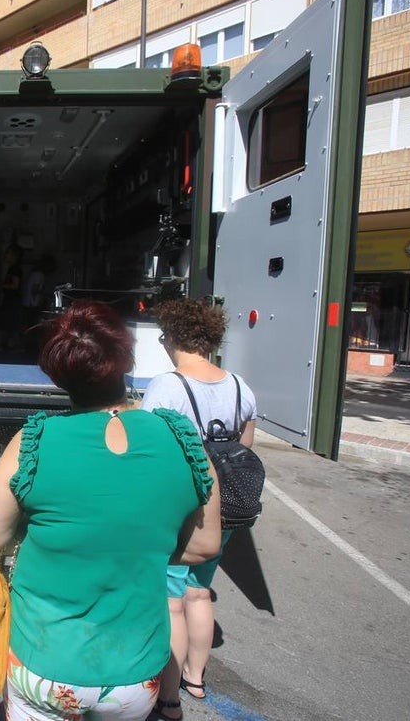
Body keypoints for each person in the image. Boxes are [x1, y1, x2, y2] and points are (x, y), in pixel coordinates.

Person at [0, 300, 220, 721]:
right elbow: (204, 545)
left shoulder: (34, 442)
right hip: (134, 672)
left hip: (44, 660)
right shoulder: (180, 438)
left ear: (58, 375)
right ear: (126, 359)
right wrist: (137, 545)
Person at [141, 298, 258, 721]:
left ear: (172, 337)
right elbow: (245, 449)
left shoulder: (167, 387)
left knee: (172, 600)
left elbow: (147, 451)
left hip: (182, 506)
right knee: (200, 590)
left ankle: (169, 698)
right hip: (226, 506)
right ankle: (195, 678)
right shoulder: (241, 386)